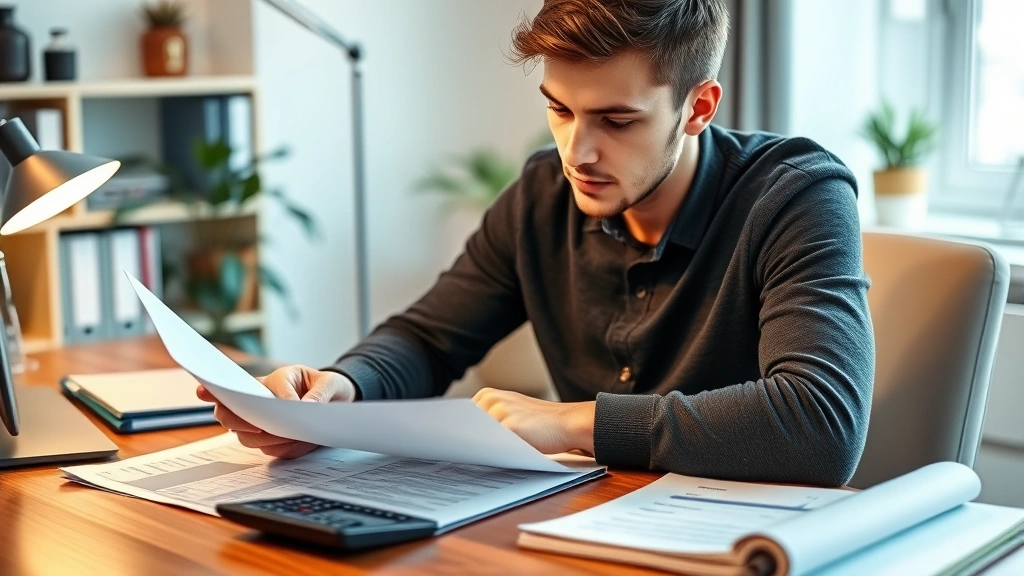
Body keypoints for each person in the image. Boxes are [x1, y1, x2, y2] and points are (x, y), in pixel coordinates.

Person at [198, 0, 874, 486]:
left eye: (617, 119)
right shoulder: (542, 195)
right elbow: (431, 338)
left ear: (698, 107)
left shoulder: (797, 195)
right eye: (559, 108)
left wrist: (573, 424)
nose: (578, 151)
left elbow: (820, 424)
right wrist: (340, 388)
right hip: (589, 530)